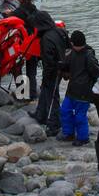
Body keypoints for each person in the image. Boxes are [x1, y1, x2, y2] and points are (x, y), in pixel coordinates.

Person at [59, 31, 99, 146]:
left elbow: (97, 73)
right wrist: (61, 67)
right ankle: (69, 134)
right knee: (65, 111)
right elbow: (66, 65)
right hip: (72, 89)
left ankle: (83, 138)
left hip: (84, 91)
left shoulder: (89, 55)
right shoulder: (72, 53)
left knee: (80, 116)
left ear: (73, 43)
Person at [32, 10, 70, 138]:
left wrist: (47, 77)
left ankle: (54, 124)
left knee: (52, 95)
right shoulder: (61, 31)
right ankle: (40, 114)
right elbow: (68, 48)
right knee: (45, 91)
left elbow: (48, 61)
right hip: (61, 67)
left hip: (53, 70)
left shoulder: (46, 38)